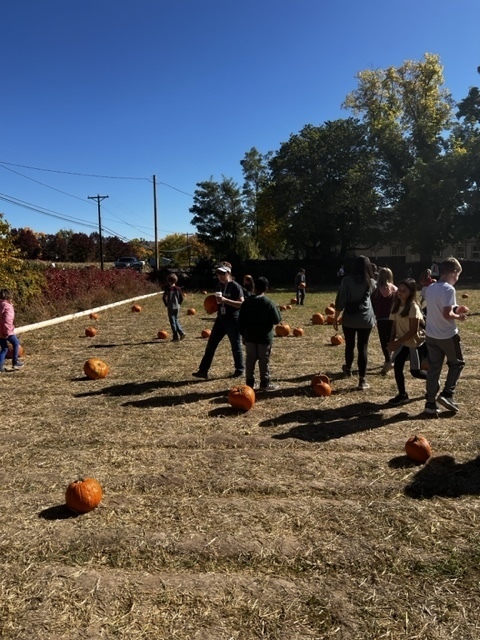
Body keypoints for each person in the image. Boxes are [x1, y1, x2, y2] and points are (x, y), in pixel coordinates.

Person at [421, 257, 468, 415]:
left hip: (431, 335)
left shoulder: (431, 288)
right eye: (458, 275)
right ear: (454, 272)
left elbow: (438, 306)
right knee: (457, 363)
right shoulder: (449, 289)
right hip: (447, 335)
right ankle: (447, 394)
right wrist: (459, 317)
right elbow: (446, 314)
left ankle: (430, 403)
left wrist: (457, 308)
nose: (457, 279)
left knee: (434, 368)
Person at [192, 262, 244, 379]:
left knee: (235, 345)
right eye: (218, 273)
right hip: (221, 319)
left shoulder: (235, 286)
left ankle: (239, 370)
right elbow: (218, 303)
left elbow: (241, 303)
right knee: (211, 345)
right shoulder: (218, 286)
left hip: (233, 319)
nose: (220, 275)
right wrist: (212, 309)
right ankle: (203, 370)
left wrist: (225, 300)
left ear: (229, 273)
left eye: (222, 273)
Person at [334, 256, 376, 390]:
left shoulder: (346, 281)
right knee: (363, 347)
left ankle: (348, 368)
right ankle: (362, 380)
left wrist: (335, 317)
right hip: (366, 319)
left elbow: (340, 300)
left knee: (349, 345)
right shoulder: (371, 282)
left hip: (350, 319)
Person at [386, 278, 427, 405]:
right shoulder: (396, 305)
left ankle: (433, 378)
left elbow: (413, 331)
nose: (401, 293)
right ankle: (402, 395)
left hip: (415, 343)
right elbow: (393, 325)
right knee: (398, 367)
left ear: (411, 293)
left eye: (405, 291)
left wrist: (396, 342)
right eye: (399, 290)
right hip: (403, 342)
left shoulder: (413, 307)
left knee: (416, 372)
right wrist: (391, 340)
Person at [238, 276, 282, 391]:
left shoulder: (246, 302)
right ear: (266, 288)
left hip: (249, 336)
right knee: (264, 360)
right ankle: (264, 383)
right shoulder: (268, 303)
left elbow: (240, 320)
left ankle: (249, 383)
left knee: (250, 359)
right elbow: (277, 320)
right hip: (264, 337)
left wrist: (243, 334)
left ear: (254, 287)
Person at [371, 267, 397, 375]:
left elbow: (372, 305)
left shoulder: (376, 290)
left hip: (381, 318)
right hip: (392, 318)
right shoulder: (394, 289)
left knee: (383, 340)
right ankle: (391, 357)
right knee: (392, 338)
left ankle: (387, 359)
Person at [0, 289, 24, 372]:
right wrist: (7, 331)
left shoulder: (1, 305)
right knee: (16, 343)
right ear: (8, 297)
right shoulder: (7, 306)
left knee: (4, 348)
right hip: (7, 330)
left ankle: (0, 365)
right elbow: (7, 320)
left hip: (0, 331)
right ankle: (15, 361)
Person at [162, 273, 185, 341]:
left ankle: (175, 336)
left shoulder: (168, 289)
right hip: (177, 306)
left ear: (169, 281)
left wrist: (166, 304)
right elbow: (181, 298)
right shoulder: (178, 289)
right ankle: (181, 332)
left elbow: (164, 297)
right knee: (176, 319)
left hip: (170, 307)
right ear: (176, 281)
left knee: (172, 322)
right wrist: (179, 303)